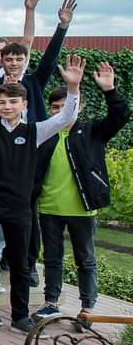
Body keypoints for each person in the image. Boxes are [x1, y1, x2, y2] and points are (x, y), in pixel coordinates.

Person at [0, 54, 85, 335]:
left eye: (13, 102)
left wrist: (73, 88)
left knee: (21, 264)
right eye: (2, 102)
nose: (7, 106)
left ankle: (20, 317)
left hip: (19, 207)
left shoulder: (36, 131)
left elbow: (67, 116)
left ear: (25, 105)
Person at [31, 62, 129, 324]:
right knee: (52, 258)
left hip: (83, 209)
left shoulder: (92, 131)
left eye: (65, 106)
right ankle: (51, 303)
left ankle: (87, 308)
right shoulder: (44, 134)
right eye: (54, 107)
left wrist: (109, 90)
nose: (59, 111)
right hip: (50, 208)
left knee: (85, 259)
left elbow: (120, 116)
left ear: (79, 106)